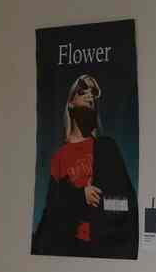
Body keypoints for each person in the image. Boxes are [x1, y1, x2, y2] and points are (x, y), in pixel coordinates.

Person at [32, 74, 138, 259]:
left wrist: (99, 202)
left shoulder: (107, 148)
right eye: (82, 92)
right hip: (69, 249)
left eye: (92, 95)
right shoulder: (60, 157)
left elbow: (126, 204)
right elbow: (52, 212)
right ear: (71, 103)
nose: (89, 96)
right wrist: (81, 196)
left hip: (104, 249)